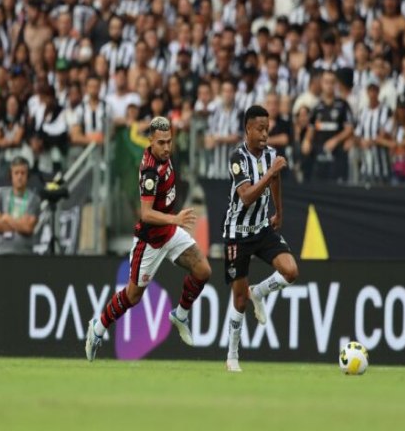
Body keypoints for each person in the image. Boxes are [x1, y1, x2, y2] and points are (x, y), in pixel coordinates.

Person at [85, 116, 212, 361]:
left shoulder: (164, 155)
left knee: (203, 270)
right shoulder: (150, 171)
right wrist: (174, 219)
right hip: (151, 241)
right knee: (133, 296)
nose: (166, 147)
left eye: (169, 142)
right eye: (161, 143)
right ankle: (98, 328)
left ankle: (180, 315)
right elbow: (146, 213)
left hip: (170, 233)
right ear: (150, 142)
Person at [222, 105, 299, 372]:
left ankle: (260, 292)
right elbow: (245, 196)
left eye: (268, 129)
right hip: (237, 235)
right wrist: (270, 172)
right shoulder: (237, 158)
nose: (266, 134)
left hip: (261, 228)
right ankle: (232, 356)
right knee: (239, 300)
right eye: (260, 129)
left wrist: (278, 211)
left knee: (290, 271)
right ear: (248, 129)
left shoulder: (271, 156)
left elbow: (275, 181)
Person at [0, 156, 41, 254]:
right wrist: (19, 224)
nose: (19, 177)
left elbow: (28, 228)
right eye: (16, 173)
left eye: (23, 173)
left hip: (24, 253)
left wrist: (7, 219)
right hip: (2, 252)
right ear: (11, 175)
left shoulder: (34, 199)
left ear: (28, 175)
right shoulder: (1, 195)